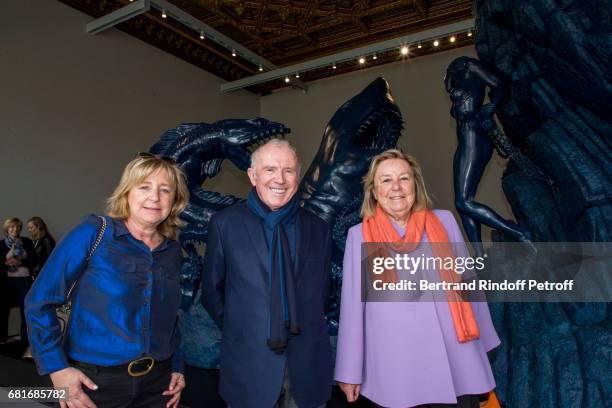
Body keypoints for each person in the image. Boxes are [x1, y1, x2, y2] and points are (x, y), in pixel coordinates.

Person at [334, 149, 500, 408]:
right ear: (374, 192)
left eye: (404, 178)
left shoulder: (444, 222)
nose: (396, 188)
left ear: (416, 185)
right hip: (396, 365)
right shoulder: (360, 235)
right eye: (386, 180)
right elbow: (353, 307)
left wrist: (484, 344)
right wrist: (349, 371)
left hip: (454, 357)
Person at [25, 153, 189, 408]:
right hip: (94, 385)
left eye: (165, 190)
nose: (154, 197)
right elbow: (39, 300)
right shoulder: (94, 232)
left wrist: (177, 366)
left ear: (175, 200)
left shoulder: (172, 252)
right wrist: (57, 369)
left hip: (159, 385)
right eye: (144, 186)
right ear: (127, 193)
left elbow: (171, 317)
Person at [201, 139, 333, 408]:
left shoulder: (318, 228)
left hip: (306, 368)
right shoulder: (225, 224)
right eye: (270, 170)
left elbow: (323, 291)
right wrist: (246, 326)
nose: (280, 179)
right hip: (247, 365)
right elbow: (212, 292)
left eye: (289, 170)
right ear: (253, 175)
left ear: (298, 175)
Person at [445, 56, 530, 257]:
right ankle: (480, 256)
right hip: (465, 138)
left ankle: (520, 233)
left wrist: (491, 107)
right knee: (462, 203)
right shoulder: (454, 75)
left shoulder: (469, 65)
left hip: (474, 135)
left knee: (463, 202)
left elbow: (499, 84)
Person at [1, 217, 37, 346]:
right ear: (7, 229)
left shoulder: (26, 242)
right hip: (7, 282)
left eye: (17, 227)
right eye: (12, 227)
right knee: (3, 311)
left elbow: (34, 260)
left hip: (24, 281)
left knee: (25, 310)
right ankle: (2, 339)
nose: (15, 229)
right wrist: (6, 263)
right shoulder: (2, 244)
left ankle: (24, 340)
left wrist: (20, 262)